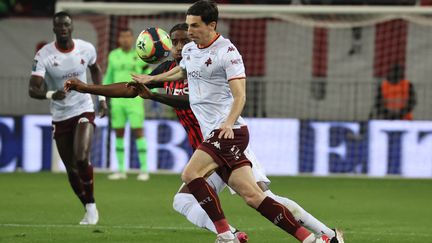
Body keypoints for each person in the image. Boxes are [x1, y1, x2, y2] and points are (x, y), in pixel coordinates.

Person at [64, 22, 343, 243]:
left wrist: (155, 97)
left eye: (185, 40)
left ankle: (325, 235)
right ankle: (230, 233)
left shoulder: (206, 66)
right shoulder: (171, 69)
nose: (180, 46)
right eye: (175, 41)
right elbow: (132, 88)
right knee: (185, 199)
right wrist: (87, 89)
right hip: (207, 149)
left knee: (261, 198)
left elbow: (190, 100)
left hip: (227, 141)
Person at [130, 1, 339, 242]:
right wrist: (151, 78)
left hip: (228, 132)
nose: (190, 32)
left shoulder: (227, 52)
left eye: (195, 26)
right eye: (188, 26)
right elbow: (182, 71)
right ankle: (317, 239)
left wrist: (228, 123)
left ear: (212, 25)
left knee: (190, 174)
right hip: (215, 136)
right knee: (254, 197)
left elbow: (240, 95)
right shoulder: (190, 50)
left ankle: (226, 235)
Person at [28, 11, 107, 225]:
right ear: (54, 29)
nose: (63, 28)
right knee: (71, 168)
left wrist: (101, 98)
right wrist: (52, 94)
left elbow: (95, 70)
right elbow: (32, 89)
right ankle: (88, 205)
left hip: (83, 108)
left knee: (81, 158)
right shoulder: (44, 55)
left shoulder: (86, 48)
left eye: (66, 25)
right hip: (60, 114)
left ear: (71, 28)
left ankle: (91, 207)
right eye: (59, 26)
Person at [103, 28, 152, 181]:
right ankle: (121, 170)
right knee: (119, 133)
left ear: (133, 39)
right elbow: (109, 76)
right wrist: (103, 98)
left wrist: (153, 94)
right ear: (118, 39)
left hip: (135, 101)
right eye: (122, 36)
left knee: (138, 132)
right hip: (117, 101)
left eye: (128, 36)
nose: (125, 39)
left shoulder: (141, 55)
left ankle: (144, 170)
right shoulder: (113, 55)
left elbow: (148, 76)